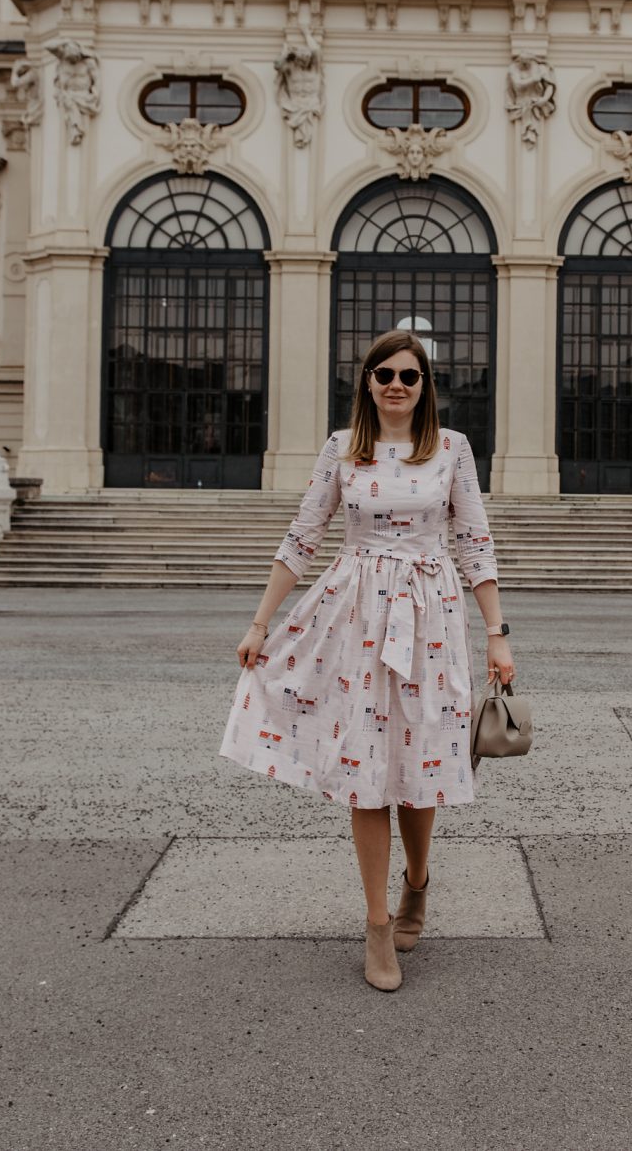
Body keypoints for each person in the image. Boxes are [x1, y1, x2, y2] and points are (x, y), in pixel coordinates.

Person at [219, 329, 515, 993]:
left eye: (409, 376)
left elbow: (474, 542)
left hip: (431, 616)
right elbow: (303, 534)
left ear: (425, 386)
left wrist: (498, 632)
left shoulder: (451, 451)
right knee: (365, 771)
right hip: (356, 617)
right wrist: (261, 620)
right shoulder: (341, 450)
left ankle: (417, 881)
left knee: (422, 767)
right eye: (383, 374)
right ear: (367, 383)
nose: (396, 386)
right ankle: (377, 924)